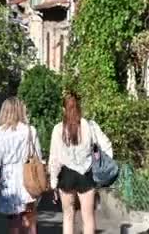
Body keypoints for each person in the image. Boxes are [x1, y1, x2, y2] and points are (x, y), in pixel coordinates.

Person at [48, 93, 113, 234]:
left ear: (63, 109)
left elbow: (54, 159)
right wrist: (104, 164)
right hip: (86, 174)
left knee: (68, 217)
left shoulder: (57, 129)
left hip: (66, 175)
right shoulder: (90, 126)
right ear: (79, 107)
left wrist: (53, 183)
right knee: (88, 218)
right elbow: (106, 145)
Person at [0, 97, 41, 234]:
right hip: (28, 180)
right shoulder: (30, 130)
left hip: (8, 182)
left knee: (13, 223)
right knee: (30, 220)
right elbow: (38, 157)